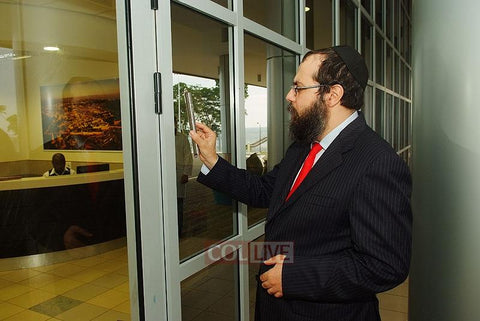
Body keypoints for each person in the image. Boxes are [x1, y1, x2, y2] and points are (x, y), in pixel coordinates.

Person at [190, 45, 412, 321]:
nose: (289, 96)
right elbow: (265, 191)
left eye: (298, 87)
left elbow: (385, 265)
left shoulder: (377, 162)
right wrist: (211, 159)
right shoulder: (303, 146)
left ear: (332, 94)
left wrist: (295, 277)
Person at [175, 120, 193, 237]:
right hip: (164, 173)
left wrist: (186, 173)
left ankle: (178, 231)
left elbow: (188, 156)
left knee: (178, 204)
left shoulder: (182, 138)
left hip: (179, 173)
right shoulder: (159, 136)